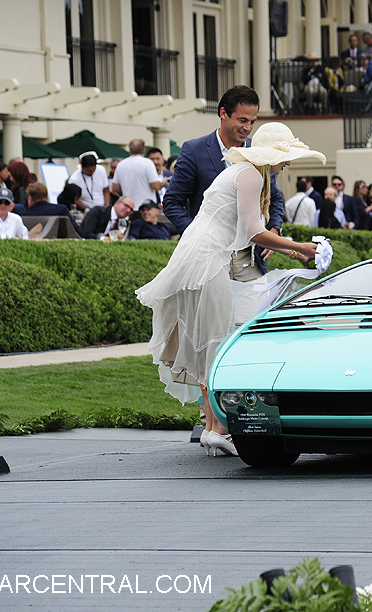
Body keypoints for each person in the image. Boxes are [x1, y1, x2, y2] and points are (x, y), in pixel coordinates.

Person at [136, 122, 324, 457]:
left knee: (211, 341)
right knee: (216, 343)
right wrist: (299, 246)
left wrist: (289, 249)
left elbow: (251, 229)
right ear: (273, 154)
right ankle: (218, 428)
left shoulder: (241, 171)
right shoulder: (250, 174)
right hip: (207, 261)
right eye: (287, 156)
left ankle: (213, 429)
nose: (289, 164)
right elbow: (254, 231)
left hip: (200, 259)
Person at [163, 86, 286, 285]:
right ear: (223, 113)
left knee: (249, 315)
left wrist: (274, 230)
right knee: (211, 316)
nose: (248, 128)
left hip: (251, 260)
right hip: (206, 260)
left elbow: (274, 198)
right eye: (242, 120)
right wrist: (198, 237)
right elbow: (171, 202)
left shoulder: (259, 151)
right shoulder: (194, 150)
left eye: (252, 122)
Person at [111, 139, 162, 208]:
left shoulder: (121, 164)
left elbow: (115, 188)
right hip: (146, 208)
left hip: (128, 207)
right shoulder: (148, 163)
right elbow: (156, 186)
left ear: (130, 151)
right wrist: (164, 183)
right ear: (144, 150)